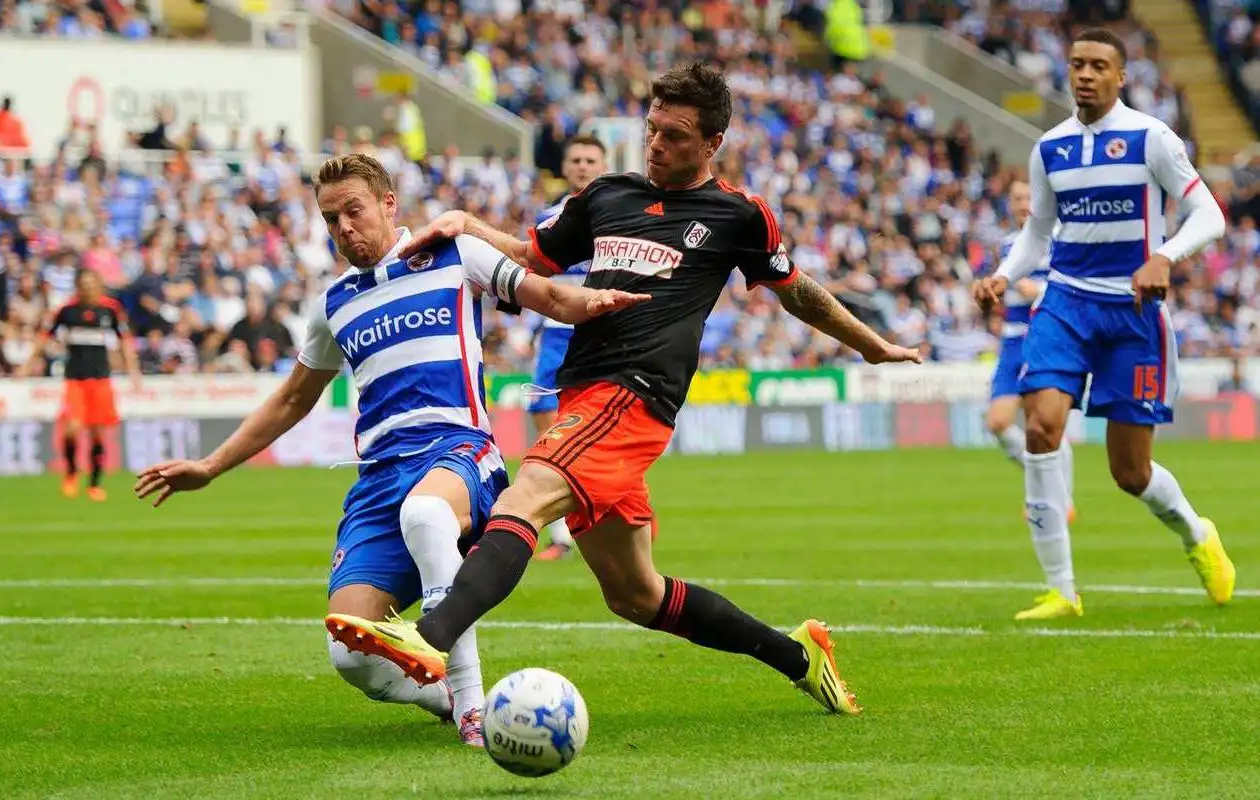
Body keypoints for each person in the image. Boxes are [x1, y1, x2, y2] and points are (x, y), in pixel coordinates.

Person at [323, 62, 922, 717]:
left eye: (676, 135)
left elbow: (797, 291)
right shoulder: (608, 196)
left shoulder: (738, 214)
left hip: (634, 396)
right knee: (636, 595)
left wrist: (871, 344)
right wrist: (466, 223)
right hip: (581, 395)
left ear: (713, 143)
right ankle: (802, 657)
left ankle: (430, 639)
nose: (657, 144)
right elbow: (531, 257)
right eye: (652, 129)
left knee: (526, 496)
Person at [132, 154, 647, 746]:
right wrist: (210, 465)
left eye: (353, 210)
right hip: (378, 480)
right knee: (351, 653)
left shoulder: (457, 255)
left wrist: (603, 302)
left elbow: (552, 298)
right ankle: (445, 696)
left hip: (460, 453)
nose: (344, 227)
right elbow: (291, 399)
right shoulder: (333, 305)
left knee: (426, 514)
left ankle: (474, 708)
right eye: (331, 219)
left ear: (388, 204)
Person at [972, 28, 1235, 621]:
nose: (1086, 74)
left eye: (1098, 66)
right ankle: (1061, 590)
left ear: (1121, 77)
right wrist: (1004, 275)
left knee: (1130, 471)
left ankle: (1197, 533)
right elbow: (1038, 231)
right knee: (1042, 427)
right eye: (1077, 64)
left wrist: (1164, 255)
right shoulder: (1050, 148)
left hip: (1132, 314)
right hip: (1065, 304)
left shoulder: (1151, 137)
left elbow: (1208, 215)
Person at [527, 133, 608, 561]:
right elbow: (534, 271)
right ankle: (561, 534)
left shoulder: (619, 214)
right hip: (557, 331)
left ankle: (615, 514)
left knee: (606, 426)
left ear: (603, 166)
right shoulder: (548, 218)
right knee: (544, 417)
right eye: (576, 160)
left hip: (602, 333)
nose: (582, 166)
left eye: (590, 160)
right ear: (564, 167)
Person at [983, 180, 1075, 520]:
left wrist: (1037, 290)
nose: (1023, 204)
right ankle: (1046, 481)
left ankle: (1063, 501)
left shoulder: (1062, 238)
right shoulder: (1007, 244)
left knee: (1045, 422)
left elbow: (1074, 286)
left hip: (1045, 338)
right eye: (1017, 199)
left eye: (1028, 198)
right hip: (1012, 341)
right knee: (997, 422)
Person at [38, 268, 142, 501]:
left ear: (98, 286)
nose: (88, 289)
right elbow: (45, 335)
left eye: (91, 284)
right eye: (84, 285)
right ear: (78, 287)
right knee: (72, 428)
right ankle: (71, 473)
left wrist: (133, 370)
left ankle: (94, 484)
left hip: (100, 379)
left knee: (98, 434)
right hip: (75, 379)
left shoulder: (110, 310)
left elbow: (125, 341)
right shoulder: (67, 311)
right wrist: (29, 364)